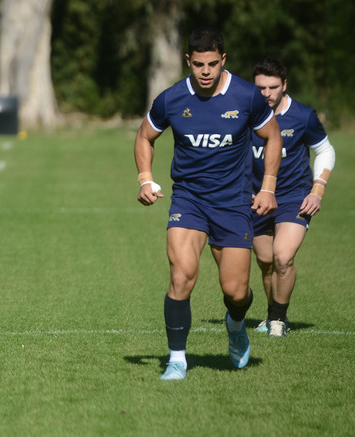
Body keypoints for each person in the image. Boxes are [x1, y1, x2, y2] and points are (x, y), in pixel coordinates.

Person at [133, 27, 283, 380]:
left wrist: (268, 187)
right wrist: (144, 177)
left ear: (223, 61)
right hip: (189, 199)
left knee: (236, 292)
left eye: (212, 64)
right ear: (188, 61)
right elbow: (144, 135)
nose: (205, 72)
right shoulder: (171, 99)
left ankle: (235, 324)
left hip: (233, 204)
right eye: (198, 64)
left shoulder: (246, 96)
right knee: (182, 274)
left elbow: (272, 135)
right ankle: (177, 359)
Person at [250, 57, 336, 337]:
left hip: (294, 196)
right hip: (256, 198)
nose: (267, 94)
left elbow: (325, 151)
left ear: (284, 85)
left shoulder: (302, 116)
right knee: (265, 261)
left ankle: (278, 319)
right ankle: (271, 313)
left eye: (273, 87)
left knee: (283, 257)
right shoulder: (243, 113)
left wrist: (318, 189)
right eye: (261, 87)